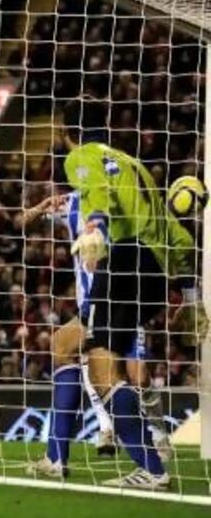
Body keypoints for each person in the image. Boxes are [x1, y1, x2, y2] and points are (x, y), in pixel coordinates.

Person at [28, 98, 206, 490]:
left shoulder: (81, 157)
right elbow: (176, 234)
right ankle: (56, 457)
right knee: (63, 344)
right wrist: (191, 299)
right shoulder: (133, 164)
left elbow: (97, 191)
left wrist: (95, 229)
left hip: (124, 263)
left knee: (105, 373)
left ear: (65, 133)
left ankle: (153, 469)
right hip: (152, 273)